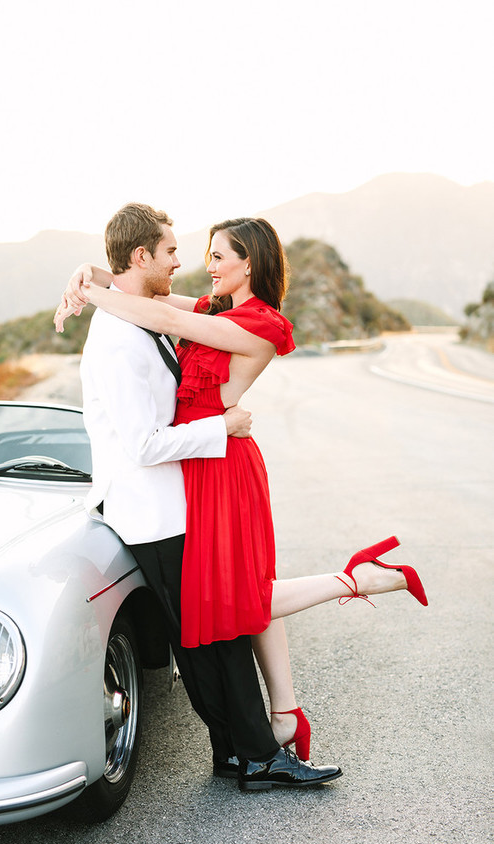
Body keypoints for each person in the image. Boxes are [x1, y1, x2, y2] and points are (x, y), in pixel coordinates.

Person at [56, 210, 428, 767]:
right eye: (192, 253)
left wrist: (91, 289)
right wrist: (90, 273)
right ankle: (275, 722)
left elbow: (156, 313)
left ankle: (353, 582)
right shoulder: (211, 310)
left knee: (239, 601)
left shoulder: (255, 325)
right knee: (233, 605)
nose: (201, 265)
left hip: (220, 465)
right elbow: (151, 306)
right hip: (196, 466)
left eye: (217, 256)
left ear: (247, 262)